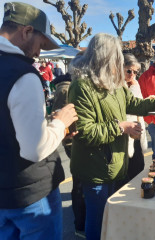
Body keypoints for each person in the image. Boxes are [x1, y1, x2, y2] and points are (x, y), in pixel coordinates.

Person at [68, 33, 155, 240]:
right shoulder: (82, 87)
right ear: (106, 57)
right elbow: (85, 132)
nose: (119, 60)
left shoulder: (115, 83)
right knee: (99, 218)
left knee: (111, 216)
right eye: (116, 55)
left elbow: (133, 103)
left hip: (114, 164)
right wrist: (121, 127)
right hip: (95, 168)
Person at [0, 2, 78, 240]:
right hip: (29, 195)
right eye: (41, 45)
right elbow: (34, 150)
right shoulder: (23, 74)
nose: (39, 54)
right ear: (26, 31)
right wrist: (61, 123)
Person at [51, 71, 86, 238]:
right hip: (73, 142)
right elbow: (57, 117)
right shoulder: (65, 89)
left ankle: (81, 221)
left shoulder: (73, 86)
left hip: (78, 140)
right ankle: (79, 225)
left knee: (82, 181)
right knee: (79, 182)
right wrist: (67, 137)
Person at [123, 53, 148, 180]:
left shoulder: (135, 84)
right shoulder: (118, 86)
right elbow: (129, 106)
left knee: (139, 166)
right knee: (127, 171)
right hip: (125, 133)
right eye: (129, 70)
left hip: (137, 130)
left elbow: (139, 105)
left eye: (135, 72)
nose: (132, 74)